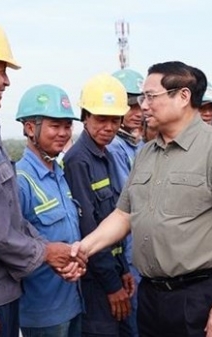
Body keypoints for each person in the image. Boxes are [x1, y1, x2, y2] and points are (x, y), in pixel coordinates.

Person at [73, 61, 212, 337]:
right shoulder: (147, 154)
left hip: (202, 297)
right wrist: (83, 248)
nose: (142, 106)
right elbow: (124, 215)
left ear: (183, 97)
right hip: (153, 299)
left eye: (150, 97)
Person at [0, 18, 85, 337]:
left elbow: (12, 219)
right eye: (2, 71)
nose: (7, 82)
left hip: (15, 291)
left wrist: (55, 250)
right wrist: (46, 252)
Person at [63, 73, 134, 337]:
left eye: (115, 120)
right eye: (101, 119)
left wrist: (124, 270)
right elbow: (88, 227)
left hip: (115, 271)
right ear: (85, 117)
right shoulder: (78, 160)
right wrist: (112, 284)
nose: (109, 127)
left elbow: (116, 216)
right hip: (97, 279)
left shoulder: (106, 156)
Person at [15, 84, 84, 337]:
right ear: (30, 128)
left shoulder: (60, 174)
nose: (63, 133)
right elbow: (12, 244)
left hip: (74, 302)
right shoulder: (20, 180)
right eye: (55, 126)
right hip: (42, 313)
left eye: (67, 126)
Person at [108, 68, 145, 337]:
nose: (136, 111)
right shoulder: (113, 149)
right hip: (126, 255)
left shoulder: (138, 145)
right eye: (129, 105)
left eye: (139, 103)